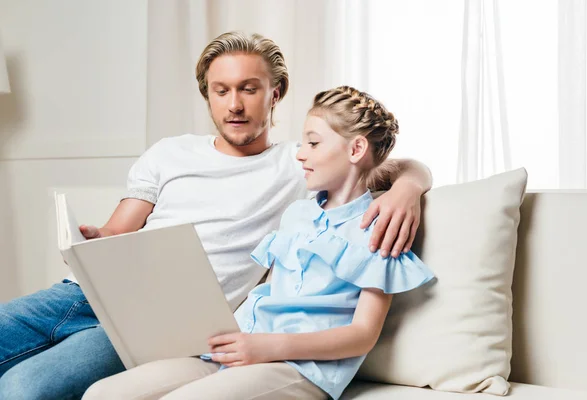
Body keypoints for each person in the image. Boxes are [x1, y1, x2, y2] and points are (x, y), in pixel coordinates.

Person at [0, 32, 432, 399]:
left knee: (20, 389)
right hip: (83, 291)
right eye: (221, 90)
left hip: (159, 324)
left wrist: (409, 189)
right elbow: (116, 230)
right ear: (207, 95)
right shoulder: (170, 152)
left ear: (274, 94)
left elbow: (390, 162)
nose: (235, 105)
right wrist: (94, 239)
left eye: (249, 88)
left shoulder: (300, 164)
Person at [83, 86, 434, 400]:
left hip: (301, 367)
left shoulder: (380, 226)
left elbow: (362, 334)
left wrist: (269, 346)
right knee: (102, 393)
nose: (300, 154)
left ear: (356, 149)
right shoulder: (297, 213)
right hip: (241, 347)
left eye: (313, 143)